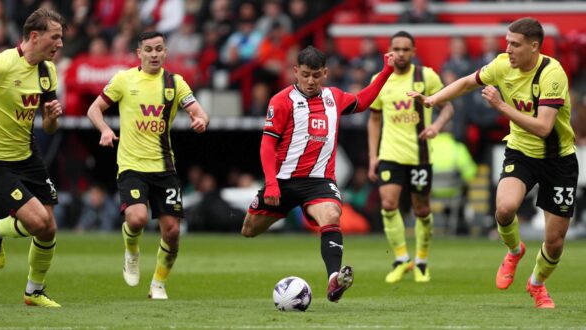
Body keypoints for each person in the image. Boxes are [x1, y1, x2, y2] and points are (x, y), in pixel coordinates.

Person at [408, 17, 578, 309]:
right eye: (507, 43)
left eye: (515, 44)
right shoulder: (502, 65)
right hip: (521, 153)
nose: (507, 49)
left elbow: (543, 128)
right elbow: (466, 83)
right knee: (504, 208)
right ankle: (514, 251)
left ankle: (537, 284)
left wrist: (500, 106)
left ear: (534, 47)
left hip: (558, 159)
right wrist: (433, 100)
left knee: (555, 242)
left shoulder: (553, 74)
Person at [242, 46, 395, 303]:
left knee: (332, 215)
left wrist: (386, 71)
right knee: (248, 230)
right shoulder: (280, 101)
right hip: (282, 182)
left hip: (319, 182)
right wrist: (270, 184)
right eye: (305, 75)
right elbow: (267, 144)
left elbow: (363, 101)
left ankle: (334, 280)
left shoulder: (333, 97)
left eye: (316, 75)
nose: (310, 81)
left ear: (325, 73)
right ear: (295, 72)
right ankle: (278, 208)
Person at [87, 31, 209, 300]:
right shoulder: (124, 79)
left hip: (164, 168)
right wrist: (105, 130)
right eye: (149, 49)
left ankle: (158, 284)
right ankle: (131, 251)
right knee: (137, 218)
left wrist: (200, 120)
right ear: (138, 53)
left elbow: (199, 112)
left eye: (159, 49)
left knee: (173, 231)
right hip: (131, 165)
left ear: (166, 52)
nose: (154, 54)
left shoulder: (175, 83)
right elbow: (94, 109)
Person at [0, 8, 65, 308]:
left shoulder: (47, 71)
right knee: (36, 221)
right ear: (35, 36)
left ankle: (34, 291)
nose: (59, 44)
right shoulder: (1, 65)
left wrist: (51, 119)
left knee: (49, 228)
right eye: (55, 37)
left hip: (28, 156)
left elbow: (48, 126)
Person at [367, 31, 454, 284]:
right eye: (397, 49)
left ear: (413, 52)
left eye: (406, 49)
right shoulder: (379, 79)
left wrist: (436, 126)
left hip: (419, 155)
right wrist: (373, 156)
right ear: (389, 50)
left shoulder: (425, 76)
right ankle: (401, 259)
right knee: (388, 204)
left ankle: (422, 261)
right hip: (390, 154)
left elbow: (448, 107)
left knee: (422, 209)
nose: (401, 54)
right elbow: (373, 119)